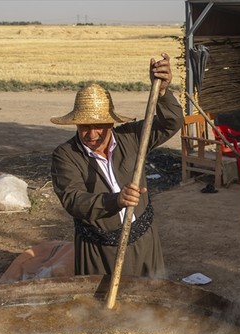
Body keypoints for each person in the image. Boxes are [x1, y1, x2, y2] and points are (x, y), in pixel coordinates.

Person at [50, 53, 182, 277]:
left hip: (144, 243)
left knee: (151, 303)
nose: (92, 134)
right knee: (103, 310)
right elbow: (74, 200)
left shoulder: (131, 137)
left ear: (111, 121)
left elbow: (172, 123)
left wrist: (162, 92)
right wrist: (115, 200)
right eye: (84, 126)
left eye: (99, 125)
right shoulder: (66, 154)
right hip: (99, 251)